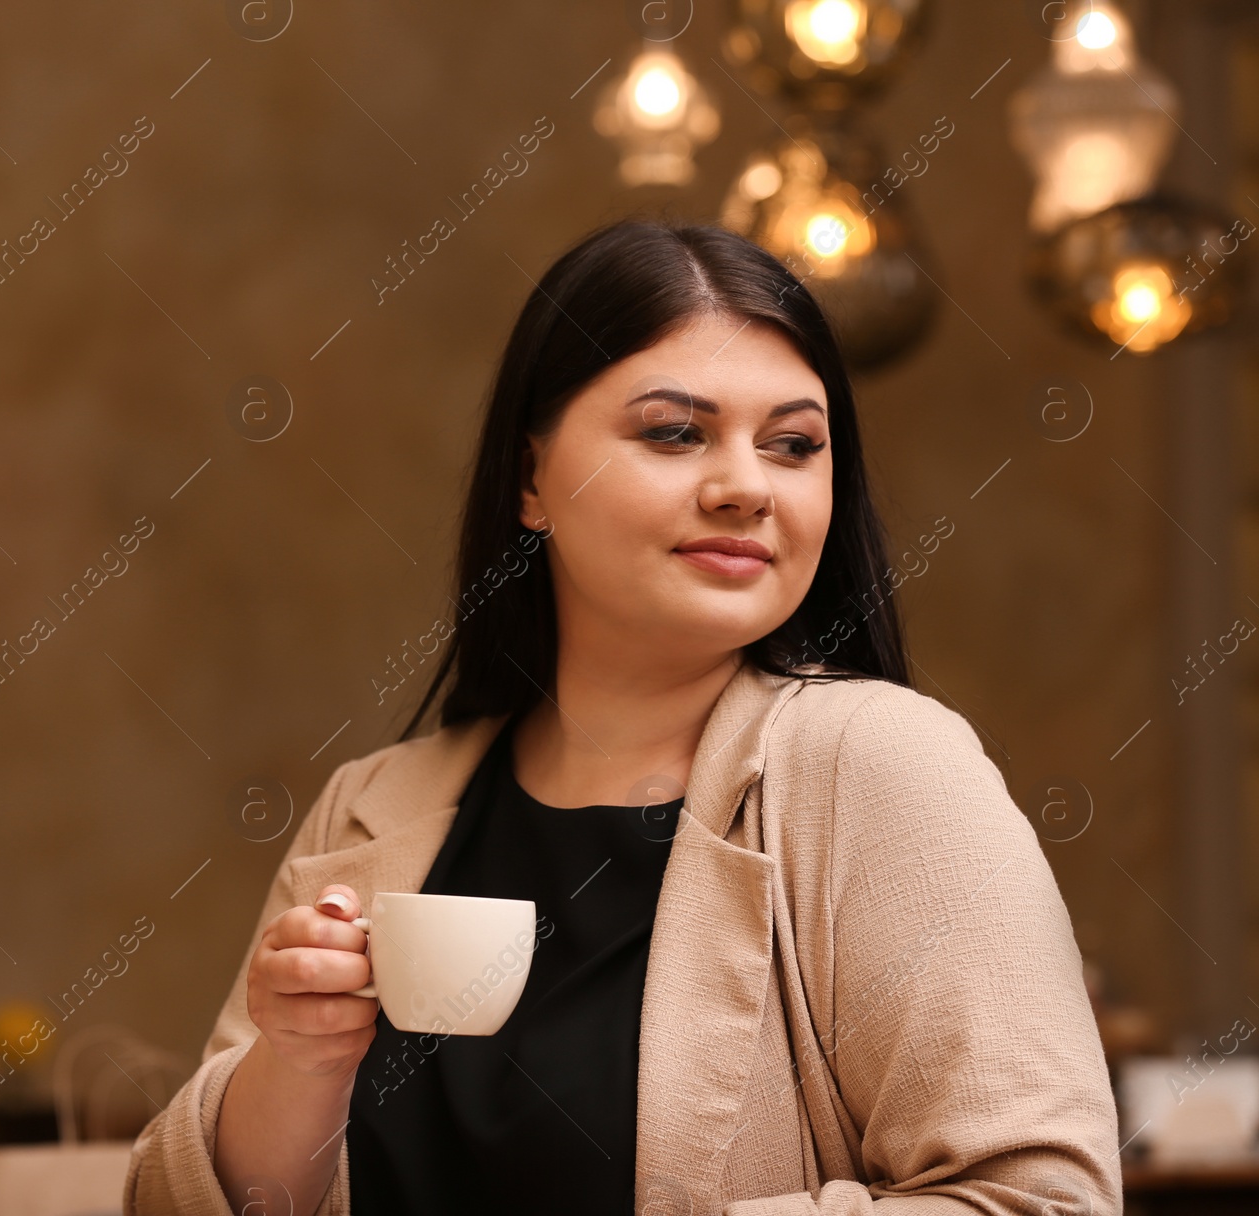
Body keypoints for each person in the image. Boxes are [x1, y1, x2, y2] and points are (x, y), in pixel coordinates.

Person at [125, 220, 1122, 1215]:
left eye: (793, 445)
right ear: (529, 479)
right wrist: (296, 1064)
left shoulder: (880, 765)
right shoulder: (373, 806)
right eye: (674, 431)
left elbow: (1041, 1200)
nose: (744, 488)